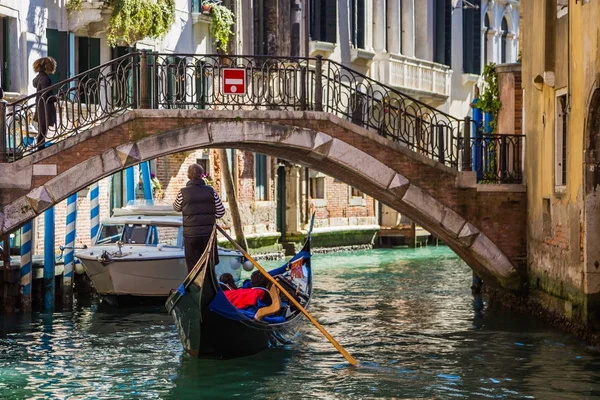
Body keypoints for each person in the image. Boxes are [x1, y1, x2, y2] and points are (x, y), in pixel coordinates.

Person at [173, 163, 225, 272]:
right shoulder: (211, 191)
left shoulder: (183, 192)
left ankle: (196, 286)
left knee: (193, 266)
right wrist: (209, 216)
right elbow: (221, 211)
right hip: (208, 235)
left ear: (188, 176)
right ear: (202, 175)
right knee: (209, 265)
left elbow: (176, 207)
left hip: (191, 235)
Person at [32, 57, 57, 150]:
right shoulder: (45, 79)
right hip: (45, 107)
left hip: (39, 105)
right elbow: (45, 95)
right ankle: (40, 149)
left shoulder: (39, 77)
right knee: (43, 130)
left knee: (41, 129)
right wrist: (55, 98)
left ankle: (39, 148)